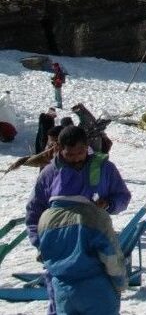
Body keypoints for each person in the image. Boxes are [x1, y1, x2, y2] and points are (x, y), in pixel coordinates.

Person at [25, 126, 131, 315]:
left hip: (93, 251)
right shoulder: (49, 174)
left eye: (80, 153)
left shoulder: (104, 168)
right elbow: (34, 212)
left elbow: (123, 197)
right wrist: (41, 243)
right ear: (59, 148)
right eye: (70, 154)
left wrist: (110, 204)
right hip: (59, 255)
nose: (76, 158)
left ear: (87, 147)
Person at [37, 193, 128, 314]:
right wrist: (120, 282)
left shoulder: (45, 218)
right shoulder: (95, 216)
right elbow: (111, 257)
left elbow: (42, 255)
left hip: (63, 291)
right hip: (96, 291)